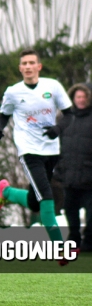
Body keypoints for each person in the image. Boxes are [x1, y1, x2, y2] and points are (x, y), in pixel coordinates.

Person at [0, 48, 74, 266]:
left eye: (31, 63)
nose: (28, 66)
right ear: (20, 68)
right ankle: (60, 249)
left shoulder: (52, 86)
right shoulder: (13, 92)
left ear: (39, 66)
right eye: (24, 63)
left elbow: (70, 114)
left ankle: (6, 192)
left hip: (51, 149)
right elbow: (4, 115)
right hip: (28, 150)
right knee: (46, 195)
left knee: (35, 202)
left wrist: (58, 129)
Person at [54, 83, 92, 252]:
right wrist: (59, 169)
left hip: (89, 177)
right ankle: (74, 240)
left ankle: (89, 241)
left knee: (91, 215)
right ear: (73, 99)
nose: (81, 100)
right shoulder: (64, 119)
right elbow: (56, 146)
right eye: (78, 97)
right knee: (70, 211)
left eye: (84, 97)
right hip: (69, 176)